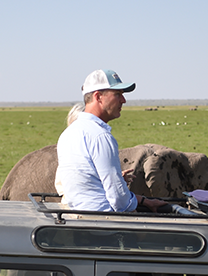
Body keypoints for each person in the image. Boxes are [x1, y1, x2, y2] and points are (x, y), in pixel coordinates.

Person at [56, 69, 163, 213]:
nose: (123, 100)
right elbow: (119, 200)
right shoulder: (100, 136)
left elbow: (85, 183)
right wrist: (133, 202)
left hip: (80, 218)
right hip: (105, 224)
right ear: (98, 97)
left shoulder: (68, 133)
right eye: (117, 94)